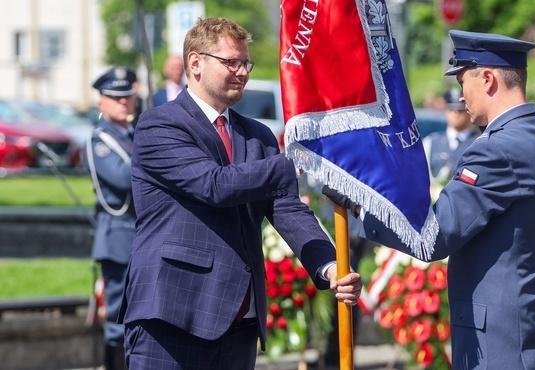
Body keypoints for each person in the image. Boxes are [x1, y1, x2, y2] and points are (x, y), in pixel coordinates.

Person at [118, 17, 362, 370]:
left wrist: (329, 266)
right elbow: (213, 185)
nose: (242, 72)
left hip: (239, 326)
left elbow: (288, 210)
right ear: (195, 63)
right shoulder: (159, 124)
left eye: (245, 63)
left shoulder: (258, 136)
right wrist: (294, 161)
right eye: (231, 62)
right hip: (172, 318)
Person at [327, 30, 535, 369]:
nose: (460, 96)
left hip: (500, 347)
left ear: (487, 78)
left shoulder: (495, 150)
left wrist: (361, 204)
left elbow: (432, 238)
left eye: (462, 81)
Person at [83, 66, 137, 370]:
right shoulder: (100, 139)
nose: (122, 102)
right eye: (115, 97)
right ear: (101, 101)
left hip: (140, 233)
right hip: (117, 234)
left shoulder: (134, 134)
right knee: (118, 317)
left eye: (127, 96)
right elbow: (123, 178)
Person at [422, 88, 480, 196]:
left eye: (460, 110)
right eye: (451, 109)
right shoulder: (431, 142)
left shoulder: (479, 142)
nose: (456, 113)